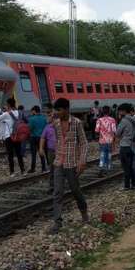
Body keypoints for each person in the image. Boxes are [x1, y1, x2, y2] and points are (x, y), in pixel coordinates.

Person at [50, 98, 89, 233]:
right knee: (57, 192)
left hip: (71, 162)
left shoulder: (77, 123)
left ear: (66, 109)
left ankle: (84, 212)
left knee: (75, 190)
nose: (57, 113)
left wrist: (82, 161)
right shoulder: (55, 123)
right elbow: (58, 139)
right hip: (59, 162)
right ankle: (57, 222)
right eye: (56, 110)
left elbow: (83, 143)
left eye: (59, 110)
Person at [0, 98, 25, 177]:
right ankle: (23, 170)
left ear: (8, 104)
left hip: (9, 136)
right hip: (18, 136)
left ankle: (12, 172)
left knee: (10, 155)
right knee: (19, 154)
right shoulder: (19, 112)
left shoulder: (6, 114)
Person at [116, 103, 135, 190]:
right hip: (132, 145)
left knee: (126, 167)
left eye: (120, 110)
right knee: (131, 166)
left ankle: (126, 186)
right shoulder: (133, 119)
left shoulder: (124, 121)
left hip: (125, 145)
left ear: (123, 111)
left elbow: (117, 133)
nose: (119, 112)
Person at [39, 108, 57, 194]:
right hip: (51, 151)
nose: (47, 118)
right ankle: (52, 186)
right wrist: (41, 148)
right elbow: (43, 138)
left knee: (62, 169)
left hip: (61, 151)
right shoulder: (47, 127)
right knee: (52, 169)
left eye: (49, 116)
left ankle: (62, 185)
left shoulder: (61, 125)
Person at [95, 106, 117, 177]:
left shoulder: (99, 120)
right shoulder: (112, 120)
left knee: (102, 155)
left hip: (102, 141)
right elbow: (114, 130)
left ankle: (101, 168)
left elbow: (96, 130)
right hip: (110, 140)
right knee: (109, 155)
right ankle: (108, 169)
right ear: (109, 111)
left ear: (102, 112)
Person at [28, 106, 48, 173]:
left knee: (33, 154)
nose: (31, 112)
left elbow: (30, 128)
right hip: (42, 138)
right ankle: (44, 168)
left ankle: (33, 168)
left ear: (34, 111)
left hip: (33, 137)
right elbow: (46, 127)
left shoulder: (31, 119)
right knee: (41, 152)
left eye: (32, 111)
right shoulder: (44, 118)